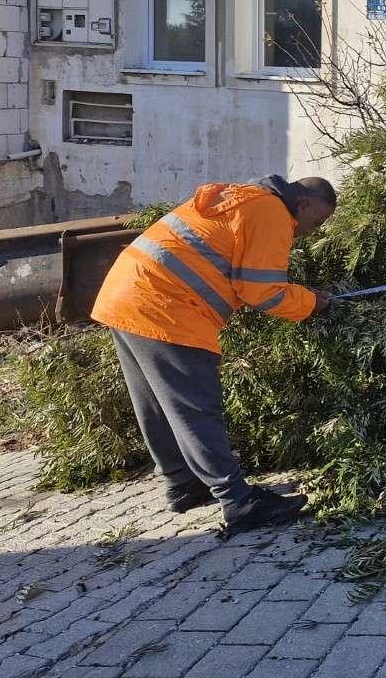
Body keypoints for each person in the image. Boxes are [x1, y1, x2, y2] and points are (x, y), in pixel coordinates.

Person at [92, 175, 337, 534]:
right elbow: (262, 291)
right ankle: (239, 502)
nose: (311, 232)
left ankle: (183, 485)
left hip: (128, 293)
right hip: (167, 305)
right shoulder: (273, 212)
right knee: (196, 406)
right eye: (316, 222)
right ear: (302, 204)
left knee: (155, 403)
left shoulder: (245, 197)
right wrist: (314, 303)